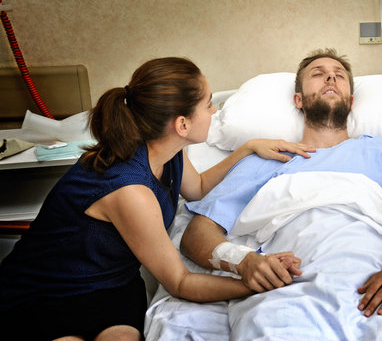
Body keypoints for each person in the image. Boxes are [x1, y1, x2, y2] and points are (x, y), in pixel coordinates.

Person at [0, 57, 312, 341]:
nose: (214, 111)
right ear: (182, 124)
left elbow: (199, 187)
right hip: (47, 293)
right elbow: (180, 283)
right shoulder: (130, 190)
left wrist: (247, 148)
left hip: (112, 285)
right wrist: (254, 277)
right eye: (207, 104)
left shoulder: (168, 151)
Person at [180, 48, 382, 319]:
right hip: (286, 290)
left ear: (351, 102)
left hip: (381, 287)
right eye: (318, 74)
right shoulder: (266, 160)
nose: (330, 78)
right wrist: (244, 260)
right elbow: (197, 235)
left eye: (339, 75)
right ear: (298, 100)